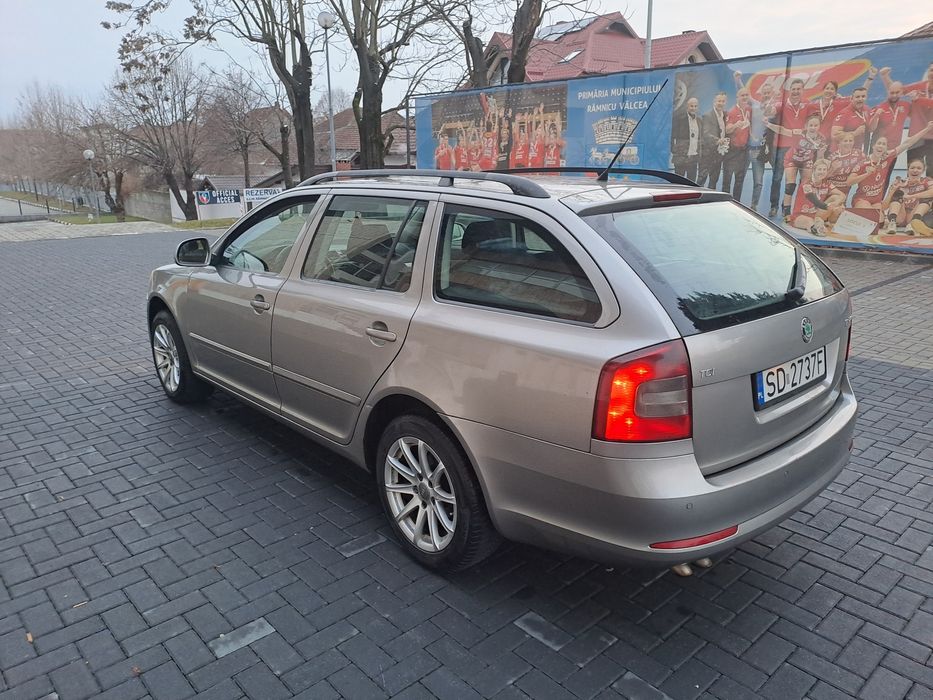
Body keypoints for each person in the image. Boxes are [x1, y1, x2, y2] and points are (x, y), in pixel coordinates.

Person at [847, 122, 933, 220]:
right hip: (862, 199)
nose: (881, 146)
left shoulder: (887, 158)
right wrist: (867, 174)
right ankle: (855, 214)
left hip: (877, 201)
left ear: (886, 148)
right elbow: (849, 182)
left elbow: (907, 143)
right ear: (873, 146)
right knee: (871, 217)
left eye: (884, 144)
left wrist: (927, 128)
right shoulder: (863, 163)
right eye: (879, 143)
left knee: (880, 221)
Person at [768, 78, 815, 218]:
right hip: (783, 147)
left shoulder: (807, 104)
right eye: (793, 89)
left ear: (802, 90)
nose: (795, 92)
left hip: (802, 147)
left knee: (801, 180)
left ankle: (793, 206)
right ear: (789, 91)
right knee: (777, 177)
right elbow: (769, 112)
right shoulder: (781, 104)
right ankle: (774, 206)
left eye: (798, 89)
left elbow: (818, 116)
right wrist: (770, 101)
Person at [767, 113, 827, 220]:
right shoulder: (799, 133)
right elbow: (783, 130)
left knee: (806, 187)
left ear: (819, 126)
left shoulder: (821, 139)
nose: (813, 128)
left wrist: (818, 170)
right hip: (792, 159)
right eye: (811, 125)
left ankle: (801, 209)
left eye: (815, 125)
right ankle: (786, 211)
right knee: (790, 185)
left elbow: (820, 158)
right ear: (806, 126)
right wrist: (768, 124)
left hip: (807, 161)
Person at [734, 72, 780, 211]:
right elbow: (744, 94)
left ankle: (775, 206)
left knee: (777, 177)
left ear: (772, 93)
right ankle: (754, 207)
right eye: (764, 92)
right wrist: (738, 80)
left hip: (771, 149)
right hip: (755, 150)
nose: (766, 94)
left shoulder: (777, 107)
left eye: (768, 93)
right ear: (762, 93)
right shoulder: (755, 105)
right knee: (758, 182)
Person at [880, 63, 933, 170]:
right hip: (916, 136)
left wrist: (918, 99)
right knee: (912, 169)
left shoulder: (918, 96)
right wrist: (885, 77)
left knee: (931, 172)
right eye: (931, 70)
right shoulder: (919, 86)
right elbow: (896, 91)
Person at [790, 158, 846, 237]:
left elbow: (842, 195)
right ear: (814, 170)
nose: (822, 172)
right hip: (800, 215)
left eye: (824, 170)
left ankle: (827, 223)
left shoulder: (827, 184)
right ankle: (816, 228)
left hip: (816, 214)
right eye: (819, 169)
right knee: (809, 221)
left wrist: (835, 204)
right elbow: (812, 199)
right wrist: (827, 207)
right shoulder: (806, 183)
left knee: (836, 198)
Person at [883, 159, 933, 235]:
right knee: (898, 193)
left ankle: (913, 223)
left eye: (919, 168)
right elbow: (884, 207)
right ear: (908, 170)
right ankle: (892, 223)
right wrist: (893, 190)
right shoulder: (900, 182)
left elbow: (931, 192)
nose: (915, 170)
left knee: (927, 197)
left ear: (923, 171)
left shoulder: (926, 181)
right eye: (912, 168)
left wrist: (911, 196)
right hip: (899, 217)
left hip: (914, 214)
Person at [722, 88, 752, 199]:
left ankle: (737, 203)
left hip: (743, 151)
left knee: (739, 180)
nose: (744, 97)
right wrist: (735, 125)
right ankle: (725, 203)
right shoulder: (732, 111)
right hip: (732, 151)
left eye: (746, 95)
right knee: (727, 180)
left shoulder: (749, 110)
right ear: (737, 98)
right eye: (742, 95)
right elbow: (727, 129)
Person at [699, 92, 729, 189]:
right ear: (714, 101)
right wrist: (717, 140)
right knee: (701, 178)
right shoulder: (707, 115)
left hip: (719, 153)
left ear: (725, 102)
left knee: (714, 179)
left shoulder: (725, 115)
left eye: (723, 101)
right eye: (719, 101)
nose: (721, 103)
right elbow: (706, 133)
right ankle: (694, 200)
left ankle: (710, 201)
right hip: (708, 153)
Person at [826, 132, 866, 204]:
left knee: (840, 208)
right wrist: (833, 169)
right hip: (832, 188)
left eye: (850, 141)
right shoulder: (832, 157)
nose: (848, 143)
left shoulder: (858, 154)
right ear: (839, 144)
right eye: (845, 141)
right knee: (834, 206)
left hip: (846, 188)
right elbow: (823, 177)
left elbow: (868, 163)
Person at [831, 87, 872, 154]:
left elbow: (870, 129)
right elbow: (834, 135)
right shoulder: (844, 113)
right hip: (841, 153)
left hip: (858, 151)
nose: (860, 99)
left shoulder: (867, 109)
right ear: (851, 99)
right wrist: (855, 133)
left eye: (863, 96)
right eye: (857, 97)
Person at [671, 96, 702, 182]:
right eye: (691, 106)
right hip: (681, 157)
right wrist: (674, 150)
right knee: (678, 183)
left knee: (691, 183)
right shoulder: (679, 119)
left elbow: (700, 139)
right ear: (687, 107)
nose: (693, 108)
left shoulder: (699, 120)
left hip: (693, 157)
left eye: (695, 106)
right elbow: (672, 136)